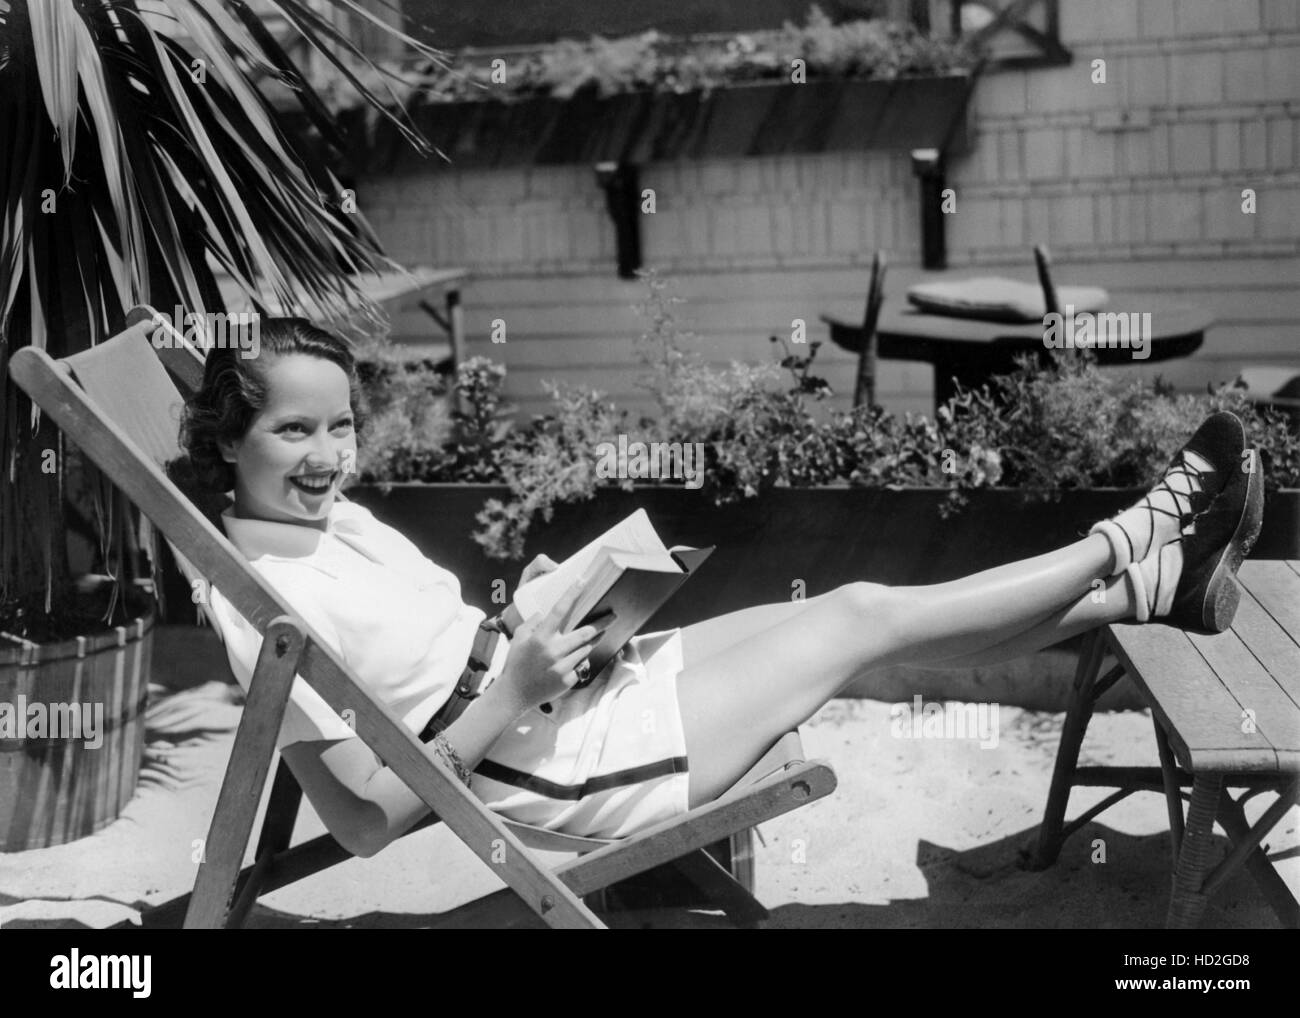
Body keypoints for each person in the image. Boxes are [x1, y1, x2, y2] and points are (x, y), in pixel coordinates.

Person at [182, 318, 1264, 858]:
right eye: (293, 430)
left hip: (558, 702)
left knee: (835, 607)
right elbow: (368, 819)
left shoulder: (326, 520)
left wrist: (533, 615)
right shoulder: (256, 601)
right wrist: (510, 688)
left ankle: (1142, 587)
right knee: (862, 618)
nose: (330, 454)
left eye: (341, 425)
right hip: (559, 768)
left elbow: (429, 658)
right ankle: (1140, 533)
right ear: (231, 439)